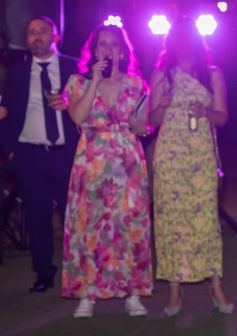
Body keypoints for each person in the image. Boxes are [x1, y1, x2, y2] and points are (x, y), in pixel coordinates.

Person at [62, 24, 152, 318]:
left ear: (123, 51)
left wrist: (143, 122)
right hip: (91, 162)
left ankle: (132, 293)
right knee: (90, 226)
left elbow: (143, 127)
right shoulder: (78, 82)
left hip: (128, 162)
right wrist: (95, 81)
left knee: (129, 226)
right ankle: (88, 294)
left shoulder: (137, 85)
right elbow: (77, 115)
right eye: (102, 44)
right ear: (94, 49)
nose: (108, 49)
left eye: (114, 44)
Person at [149, 16, 232, 317]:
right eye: (178, 38)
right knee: (170, 222)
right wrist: (162, 103)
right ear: (171, 42)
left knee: (206, 221)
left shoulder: (212, 74)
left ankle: (215, 284)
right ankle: (174, 289)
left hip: (200, 159)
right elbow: (153, 120)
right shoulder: (162, 75)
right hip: (170, 159)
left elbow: (223, 117)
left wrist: (206, 111)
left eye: (188, 38)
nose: (183, 44)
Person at [1, 16, 78, 293]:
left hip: (65, 153)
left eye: (43, 31)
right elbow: (7, 113)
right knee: (37, 216)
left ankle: (78, 270)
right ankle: (44, 272)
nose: (36, 37)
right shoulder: (17, 73)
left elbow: (91, 106)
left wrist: (70, 105)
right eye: (31, 32)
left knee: (75, 214)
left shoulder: (73, 67)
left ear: (55, 37)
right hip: (29, 154)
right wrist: (9, 150)